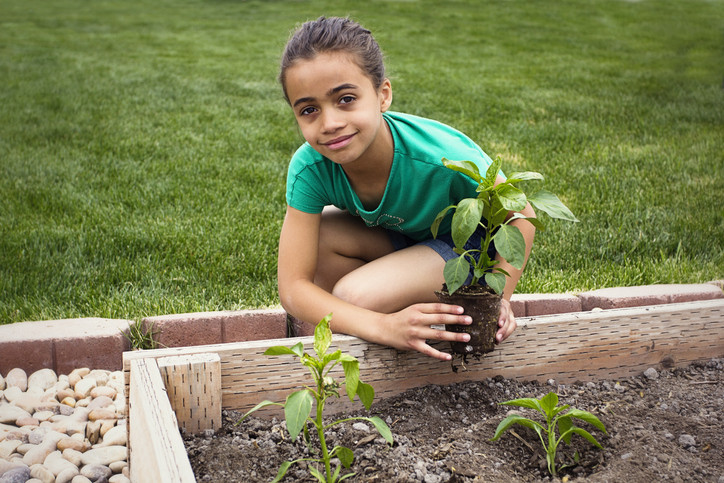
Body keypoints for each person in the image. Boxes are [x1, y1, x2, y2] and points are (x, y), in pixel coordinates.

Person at [277, 16, 536, 361]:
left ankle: (445, 315)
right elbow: (293, 287)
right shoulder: (310, 168)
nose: (330, 124)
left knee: (354, 298)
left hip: (468, 247)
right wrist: (381, 326)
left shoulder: (439, 157)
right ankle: (399, 324)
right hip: (406, 238)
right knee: (320, 238)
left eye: (345, 99)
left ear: (382, 95)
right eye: (309, 110)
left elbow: (522, 215)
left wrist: (500, 298)